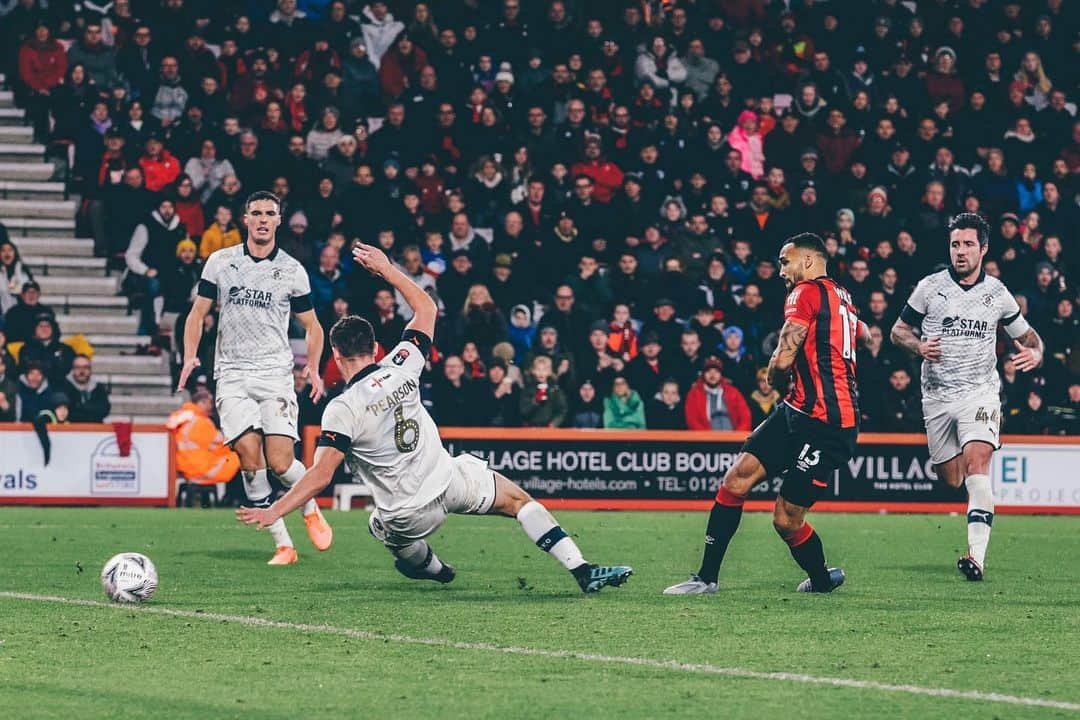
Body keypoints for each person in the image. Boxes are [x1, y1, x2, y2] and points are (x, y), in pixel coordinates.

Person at [238, 243, 632, 593]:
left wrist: (274, 510)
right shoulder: (402, 363)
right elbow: (426, 307)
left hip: (406, 515)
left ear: (336, 358)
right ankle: (581, 569)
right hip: (448, 482)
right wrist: (388, 269)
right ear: (376, 347)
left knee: (384, 529)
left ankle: (436, 570)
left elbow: (321, 476)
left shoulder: (341, 409)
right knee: (519, 501)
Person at [665, 233, 865, 596]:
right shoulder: (844, 298)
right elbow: (862, 335)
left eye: (785, 262)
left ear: (807, 261)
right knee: (735, 479)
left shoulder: (804, 293)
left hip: (828, 424)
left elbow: (783, 359)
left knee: (786, 519)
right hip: (797, 410)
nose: (781, 271)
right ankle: (706, 578)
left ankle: (821, 580)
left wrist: (775, 377)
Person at [178, 191, 333, 565]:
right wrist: (189, 356)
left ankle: (308, 508)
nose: (263, 219)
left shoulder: (293, 271)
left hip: (275, 374)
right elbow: (197, 314)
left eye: (270, 214)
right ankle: (284, 545)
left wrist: (312, 366)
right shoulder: (220, 262)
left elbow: (313, 326)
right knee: (249, 458)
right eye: (256, 213)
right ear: (244, 219)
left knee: (280, 463)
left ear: (279, 220)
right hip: (231, 374)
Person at [890, 213, 1045, 582]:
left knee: (978, 466)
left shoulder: (997, 294)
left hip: (980, 393)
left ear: (983, 248)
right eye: (955, 244)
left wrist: (1036, 354)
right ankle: (970, 502)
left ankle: (976, 556)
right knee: (951, 477)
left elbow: (1031, 339)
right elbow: (898, 331)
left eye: (968, 245)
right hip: (937, 397)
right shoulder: (929, 287)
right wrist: (918, 345)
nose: (961, 252)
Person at [167, 389, 241, 489]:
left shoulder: (182, 416)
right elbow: (220, 443)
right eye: (209, 403)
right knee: (239, 457)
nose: (211, 406)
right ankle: (237, 498)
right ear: (201, 403)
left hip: (183, 464)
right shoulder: (201, 421)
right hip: (200, 466)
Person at [62, 354, 111, 422]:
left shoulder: (99, 388)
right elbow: (67, 412)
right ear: (72, 369)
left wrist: (80, 407)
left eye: (85, 367)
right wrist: (90, 408)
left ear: (90, 369)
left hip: (95, 429)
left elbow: (104, 410)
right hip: (71, 429)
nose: (82, 371)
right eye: (78, 367)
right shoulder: (64, 387)